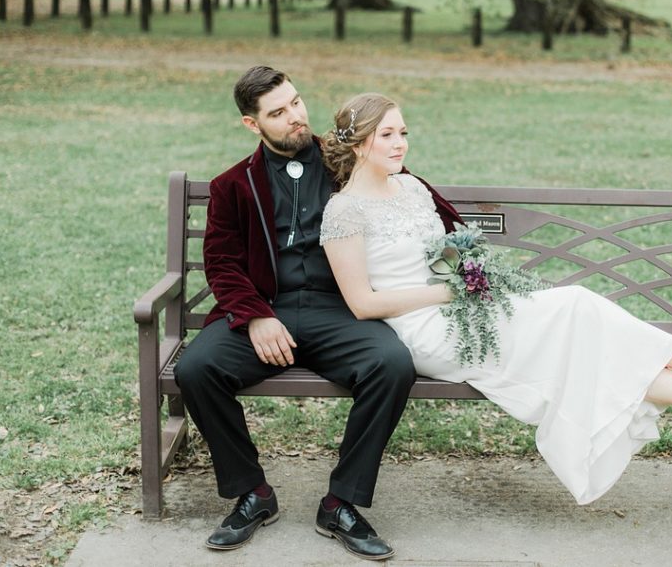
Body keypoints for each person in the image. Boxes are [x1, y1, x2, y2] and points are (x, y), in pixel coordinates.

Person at [319, 92, 672, 507]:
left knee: (580, 318)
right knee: (576, 312)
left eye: (403, 131)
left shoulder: (413, 188)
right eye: (387, 135)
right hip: (421, 332)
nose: (401, 143)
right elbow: (362, 303)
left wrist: (469, 269)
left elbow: (441, 253)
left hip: (464, 309)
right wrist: (449, 291)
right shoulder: (344, 211)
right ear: (359, 142)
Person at [173, 68, 461, 559]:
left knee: (391, 365)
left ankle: (341, 501)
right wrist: (255, 316)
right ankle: (252, 494)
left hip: (343, 309)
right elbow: (220, 263)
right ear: (252, 124)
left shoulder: (347, 158)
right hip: (267, 310)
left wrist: (462, 253)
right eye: (278, 113)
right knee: (196, 369)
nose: (295, 117)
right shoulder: (232, 186)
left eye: (297, 102)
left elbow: (422, 202)